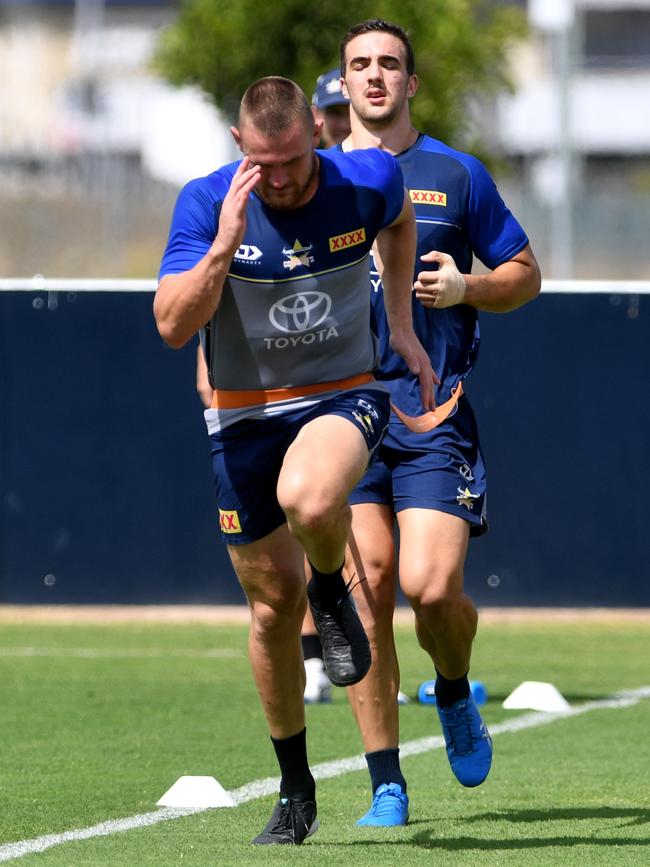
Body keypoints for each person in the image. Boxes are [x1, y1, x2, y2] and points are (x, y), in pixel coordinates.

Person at [155, 75, 435, 845]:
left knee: (311, 500)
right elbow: (174, 326)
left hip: (345, 391)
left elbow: (402, 221)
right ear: (240, 147)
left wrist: (403, 324)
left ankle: (331, 588)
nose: (279, 178)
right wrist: (222, 244)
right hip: (242, 415)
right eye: (263, 163)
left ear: (316, 133)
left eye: (292, 160)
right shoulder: (207, 201)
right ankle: (296, 787)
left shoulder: (367, 176)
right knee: (272, 609)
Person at [336, 20, 542, 827]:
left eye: (390, 64)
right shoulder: (313, 181)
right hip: (341, 420)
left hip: (432, 415)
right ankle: (386, 779)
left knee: (430, 587)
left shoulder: (457, 175)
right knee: (369, 588)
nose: (376, 76)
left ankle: (453, 687)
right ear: (343, 84)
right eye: (361, 65)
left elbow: (525, 274)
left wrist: (467, 289)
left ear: (411, 83)